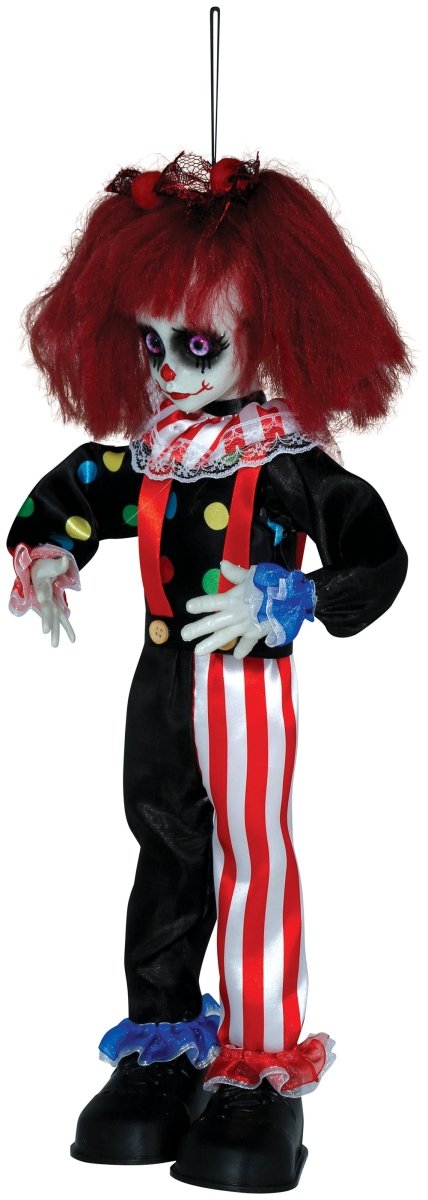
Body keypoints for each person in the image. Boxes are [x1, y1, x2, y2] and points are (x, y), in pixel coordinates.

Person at [7, 152, 409, 1192]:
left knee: (252, 858)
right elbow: (77, 491)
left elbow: (375, 556)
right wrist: (47, 552)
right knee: (164, 849)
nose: (169, 370)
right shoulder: (149, 453)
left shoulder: (281, 461)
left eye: (197, 344)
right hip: (158, 689)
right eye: (152, 343)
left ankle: (260, 1068)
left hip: (245, 692)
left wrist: (292, 598)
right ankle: (163, 1041)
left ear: (268, 337)